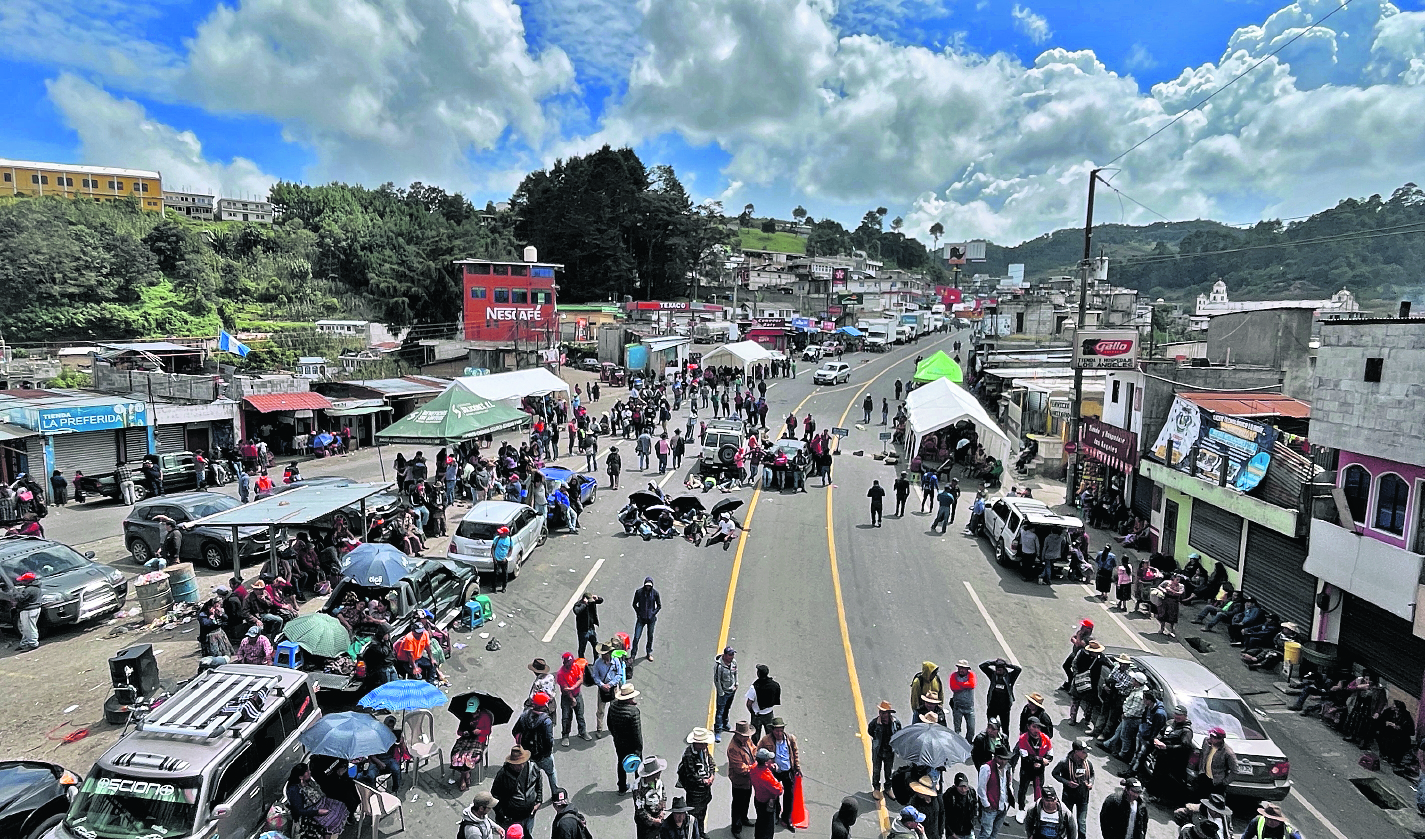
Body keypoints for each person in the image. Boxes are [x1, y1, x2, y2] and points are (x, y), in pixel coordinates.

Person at [286, 762, 349, 839]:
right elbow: (299, 810)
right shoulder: (294, 790)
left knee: (341, 806)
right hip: (310, 811)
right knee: (333, 818)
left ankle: (330, 832)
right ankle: (327, 834)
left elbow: (318, 790)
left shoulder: (308, 781)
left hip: (320, 802)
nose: (309, 772)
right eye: (307, 771)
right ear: (300, 777)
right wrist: (317, 812)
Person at [1147, 705, 1194, 806]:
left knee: (1168, 780)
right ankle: (1153, 794)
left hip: (1174, 760)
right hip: (1162, 756)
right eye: (1176, 714)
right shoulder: (1170, 723)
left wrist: (1167, 747)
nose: (1177, 716)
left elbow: (1184, 747)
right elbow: (1161, 732)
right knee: (1156, 775)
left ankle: (1164, 800)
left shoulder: (1186, 731)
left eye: (1179, 715)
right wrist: (1157, 739)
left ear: (1185, 716)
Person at [758, 718, 800, 830]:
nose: (779, 733)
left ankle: (786, 818)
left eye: (780, 730)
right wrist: (768, 763)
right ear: (772, 730)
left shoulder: (790, 739)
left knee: (789, 796)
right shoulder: (766, 740)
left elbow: (795, 753)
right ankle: (775, 816)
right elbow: (757, 752)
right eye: (776, 731)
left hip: (787, 771)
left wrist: (797, 767)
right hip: (775, 772)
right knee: (774, 795)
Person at [491, 746, 541, 835]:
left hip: (529, 814)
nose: (521, 766)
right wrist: (502, 815)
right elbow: (494, 796)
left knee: (528, 834)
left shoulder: (532, 767)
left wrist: (539, 800)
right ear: (511, 763)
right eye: (518, 764)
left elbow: (538, 782)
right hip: (512, 819)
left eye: (523, 762)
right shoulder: (503, 775)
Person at [1051, 739, 1094, 839]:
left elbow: (1092, 774)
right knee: (1066, 820)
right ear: (1076, 752)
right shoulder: (1064, 762)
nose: (1086, 754)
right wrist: (1067, 782)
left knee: (1081, 823)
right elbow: (1055, 773)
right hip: (1068, 796)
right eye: (1083, 752)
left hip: (1083, 797)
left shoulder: (1088, 763)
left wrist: (1090, 783)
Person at [452, 698, 495, 792]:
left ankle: (463, 778)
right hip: (465, 739)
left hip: (479, 740)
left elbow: (488, 731)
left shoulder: (485, 717)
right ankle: (466, 774)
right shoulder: (466, 716)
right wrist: (464, 733)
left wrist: (480, 731)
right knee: (457, 755)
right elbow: (459, 731)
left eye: (475, 713)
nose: (473, 715)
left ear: (479, 710)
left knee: (470, 756)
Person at [1015, 718, 1053, 823]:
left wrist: (1042, 762)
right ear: (1028, 727)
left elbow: (1050, 756)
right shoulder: (1022, 739)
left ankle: (1036, 812)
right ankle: (1021, 809)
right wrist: (1040, 760)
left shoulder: (1046, 739)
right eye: (1034, 727)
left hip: (1039, 771)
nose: (1036, 730)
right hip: (1026, 769)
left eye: (1038, 727)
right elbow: (1025, 756)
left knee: (1039, 791)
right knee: (1023, 789)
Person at [609, 683, 644, 794]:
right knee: (638, 765)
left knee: (621, 762)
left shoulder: (613, 706)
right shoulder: (634, 712)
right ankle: (639, 787)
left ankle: (622, 787)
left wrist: (615, 735)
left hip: (619, 742)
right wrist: (639, 749)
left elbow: (609, 723)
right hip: (632, 744)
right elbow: (637, 733)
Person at [678, 728, 717, 827]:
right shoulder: (688, 755)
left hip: (705, 790)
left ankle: (701, 831)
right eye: (703, 743)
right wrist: (703, 781)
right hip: (694, 792)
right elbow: (691, 775)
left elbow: (710, 762)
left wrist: (712, 775)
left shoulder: (704, 749)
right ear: (696, 743)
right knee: (693, 815)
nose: (706, 745)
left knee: (703, 812)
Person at [976, 746, 1013, 839]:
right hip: (991, 807)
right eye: (1001, 758)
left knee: (994, 834)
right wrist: (986, 804)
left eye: (1005, 759)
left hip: (1003, 806)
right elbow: (981, 788)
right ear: (995, 757)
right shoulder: (986, 768)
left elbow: (1009, 784)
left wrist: (1008, 801)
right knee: (985, 834)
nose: (1004, 761)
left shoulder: (1008, 768)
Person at [728, 721, 758, 837]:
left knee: (746, 799)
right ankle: (736, 827)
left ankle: (744, 818)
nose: (747, 738)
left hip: (749, 779)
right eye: (745, 736)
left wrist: (757, 756)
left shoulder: (747, 740)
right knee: (738, 804)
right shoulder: (733, 748)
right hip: (739, 780)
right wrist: (755, 767)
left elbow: (754, 749)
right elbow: (740, 768)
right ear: (738, 735)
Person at [868, 700, 902, 799]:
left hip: (889, 752)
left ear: (889, 713)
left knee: (888, 771)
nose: (882, 715)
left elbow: (899, 734)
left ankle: (888, 788)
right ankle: (876, 788)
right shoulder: (875, 723)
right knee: (876, 770)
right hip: (878, 751)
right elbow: (870, 731)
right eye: (881, 712)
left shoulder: (895, 723)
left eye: (884, 712)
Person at [1191, 727, 1236, 799]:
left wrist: (1224, 782)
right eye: (1210, 736)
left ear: (1220, 739)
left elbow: (1234, 770)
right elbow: (1203, 755)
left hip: (1216, 782)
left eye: (1214, 737)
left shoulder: (1227, 752)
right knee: (1200, 798)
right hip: (1204, 777)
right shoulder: (1206, 742)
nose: (1211, 738)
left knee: (1214, 802)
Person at [556, 652, 590, 746]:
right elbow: (565, 689)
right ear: (565, 663)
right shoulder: (561, 673)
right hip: (567, 697)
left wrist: (573, 688)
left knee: (580, 714)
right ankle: (565, 736)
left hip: (577, 694)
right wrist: (572, 699)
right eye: (568, 663)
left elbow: (580, 679)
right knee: (566, 717)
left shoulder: (576, 666)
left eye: (571, 662)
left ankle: (582, 732)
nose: (570, 664)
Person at [750, 748, 784, 839]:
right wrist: (779, 783)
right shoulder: (767, 777)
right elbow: (779, 790)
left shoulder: (753, 768)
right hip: (767, 803)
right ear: (765, 762)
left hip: (758, 799)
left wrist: (769, 767)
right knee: (768, 827)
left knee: (760, 822)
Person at [980, 658, 1022, 729]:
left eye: (1000, 669)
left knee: (1005, 728)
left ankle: (1005, 740)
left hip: (1004, 709)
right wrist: (993, 663)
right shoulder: (993, 675)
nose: (998, 670)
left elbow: (1018, 669)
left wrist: (1007, 664)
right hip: (992, 707)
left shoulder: (1010, 677)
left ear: (1004, 669)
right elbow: (982, 666)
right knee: (991, 727)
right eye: (997, 668)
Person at [634, 756, 669, 839]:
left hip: (658, 817)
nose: (660, 773)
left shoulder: (659, 781)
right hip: (645, 824)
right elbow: (640, 809)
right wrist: (653, 821)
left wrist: (662, 811)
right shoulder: (638, 787)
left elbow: (663, 795)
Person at [746, 664, 781, 741]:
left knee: (755, 736)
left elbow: (749, 703)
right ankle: (771, 749)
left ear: (758, 674)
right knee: (770, 735)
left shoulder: (754, 687)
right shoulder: (775, 685)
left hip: (757, 715)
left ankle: (754, 751)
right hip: (769, 714)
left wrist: (752, 712)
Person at [632, 576, 662, 662]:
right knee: (636, 637)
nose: (648, 587)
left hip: (651, 619)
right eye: (647, 585)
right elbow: (634, 604)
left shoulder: (655, 593)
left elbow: (659, 605)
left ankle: (649, 652)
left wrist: (653, 613)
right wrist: (639, 613)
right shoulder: (639, 592)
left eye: (649, 585)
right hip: (641, 619)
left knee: (650, 636)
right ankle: (633, 655)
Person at [713, 647, 739, 741]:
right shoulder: (719, 666)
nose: (732, 657)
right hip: (723, 693)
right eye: (730, 655)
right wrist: (721, 692)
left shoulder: (734, 662)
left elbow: (735, 673)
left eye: (733, 655)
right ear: (725, 655)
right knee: (720, 711)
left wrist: (736, 684)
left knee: (727, 708)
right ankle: (718, 730)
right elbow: (717, 680)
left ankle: (725, 724)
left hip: (731, 691)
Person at [14, 571, 42, 651]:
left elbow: (20, 599)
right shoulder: (36, 587)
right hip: (34, 609)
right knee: (27, 628)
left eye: (23, 581)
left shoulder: (29, 589)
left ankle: (33, 644)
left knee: (29, 628)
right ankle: (24, 643)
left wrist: (16, 593)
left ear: (28, 581)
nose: (21, 582)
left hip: (29, 610)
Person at [574, 592, 603, 660]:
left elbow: (601, 601)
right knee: (582, 648)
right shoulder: (579, 604)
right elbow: (576, 611)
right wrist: (584, 604)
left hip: (591, 628)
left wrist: (597, 598)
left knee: (595, 645)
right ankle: (582, 662)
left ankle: (596, 660)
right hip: (583, 631)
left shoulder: (591, 602)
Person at [491, 526, 514, 593]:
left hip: (504, 560)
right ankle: (494, 587)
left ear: (506, 534)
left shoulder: (509, 540)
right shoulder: (496, 539)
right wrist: (494, 559)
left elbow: (511, 549)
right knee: (495, 574)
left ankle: (504, 587)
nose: (500, 534)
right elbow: (492, 548)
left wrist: (507, 558)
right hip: (497, 559)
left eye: (502, 533)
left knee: (505, 574)